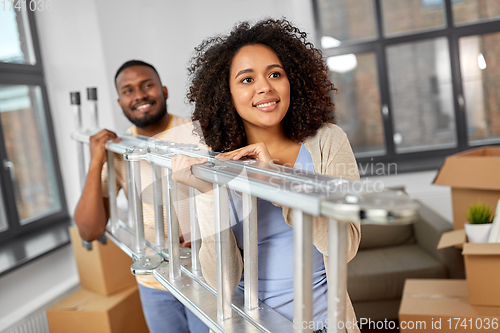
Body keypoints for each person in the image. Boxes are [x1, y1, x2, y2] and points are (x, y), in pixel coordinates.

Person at [171, 19, 361, 333]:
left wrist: (276, 181)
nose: (265, 87)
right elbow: (220, 280)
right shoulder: (217, 166)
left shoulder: (328, 142)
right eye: (247, 79)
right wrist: (207, 194)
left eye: (275, 74)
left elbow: (347, 245)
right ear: (226, 93)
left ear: (293, 81)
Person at [74, 60, 209, 333]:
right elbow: (89, 230)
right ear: (120, 101)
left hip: (204, 276)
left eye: (147, 85)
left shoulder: (200, 134)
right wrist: (96, 161)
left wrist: (203, 233)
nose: (139, 95)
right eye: (128, 90)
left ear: (164, 90)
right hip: (154, 281)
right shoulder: (120, 149)